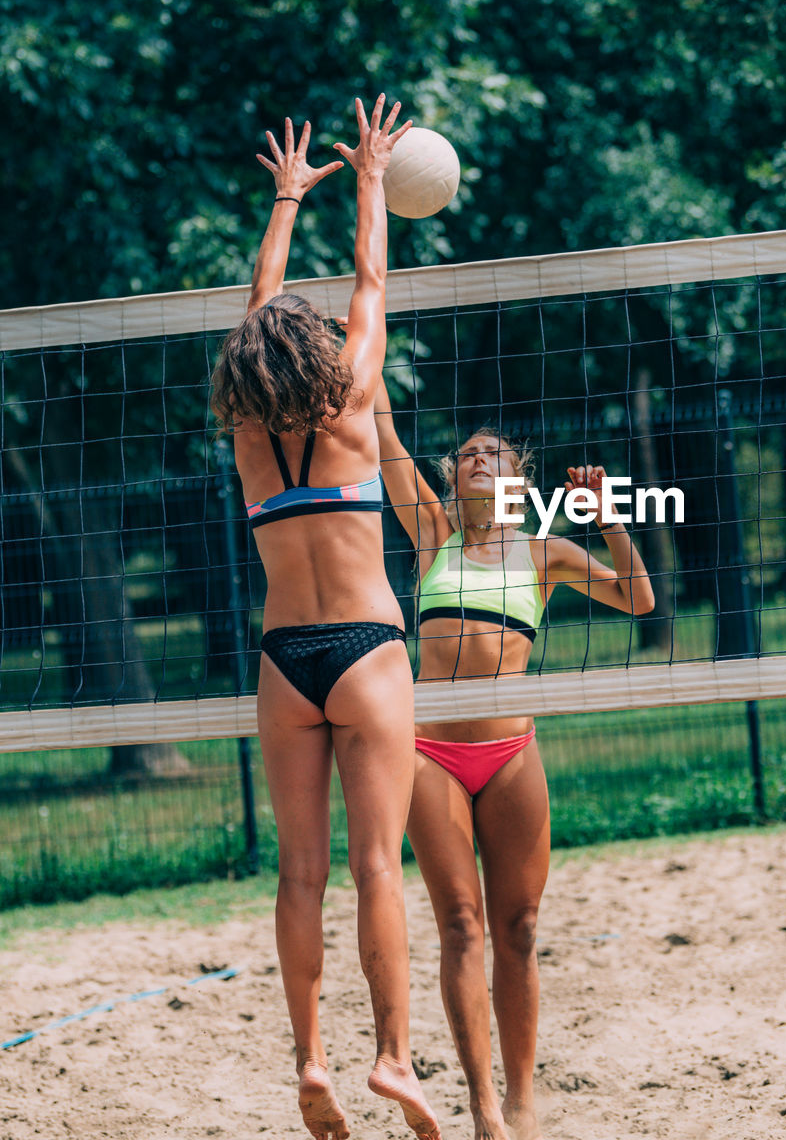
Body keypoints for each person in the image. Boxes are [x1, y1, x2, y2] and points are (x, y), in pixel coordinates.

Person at [210, 99, 440, 1140]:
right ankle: (391, 1056)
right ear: (320, 351)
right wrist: (368, 179)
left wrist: (283, 199)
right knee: (376, 867)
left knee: (298, 873)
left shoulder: (248, 426)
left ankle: (310, 1053)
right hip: (364, 648)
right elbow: (371, 281)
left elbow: (261, 306)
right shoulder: (353, 396)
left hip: (283, 656)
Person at [374, 392, 657, 1140]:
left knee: (520, 929)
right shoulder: (432, 530)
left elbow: (639, 597)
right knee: (462, 926)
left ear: (518, 480)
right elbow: (382, 433)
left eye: (493, 453)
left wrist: (606, 517)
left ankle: (524, 1096)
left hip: (510, 752)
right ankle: (484, 1105)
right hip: (429, 748)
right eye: (466, 453)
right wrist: (363, 362)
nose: (477, 458)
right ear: (452, 475)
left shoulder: (542, 552)